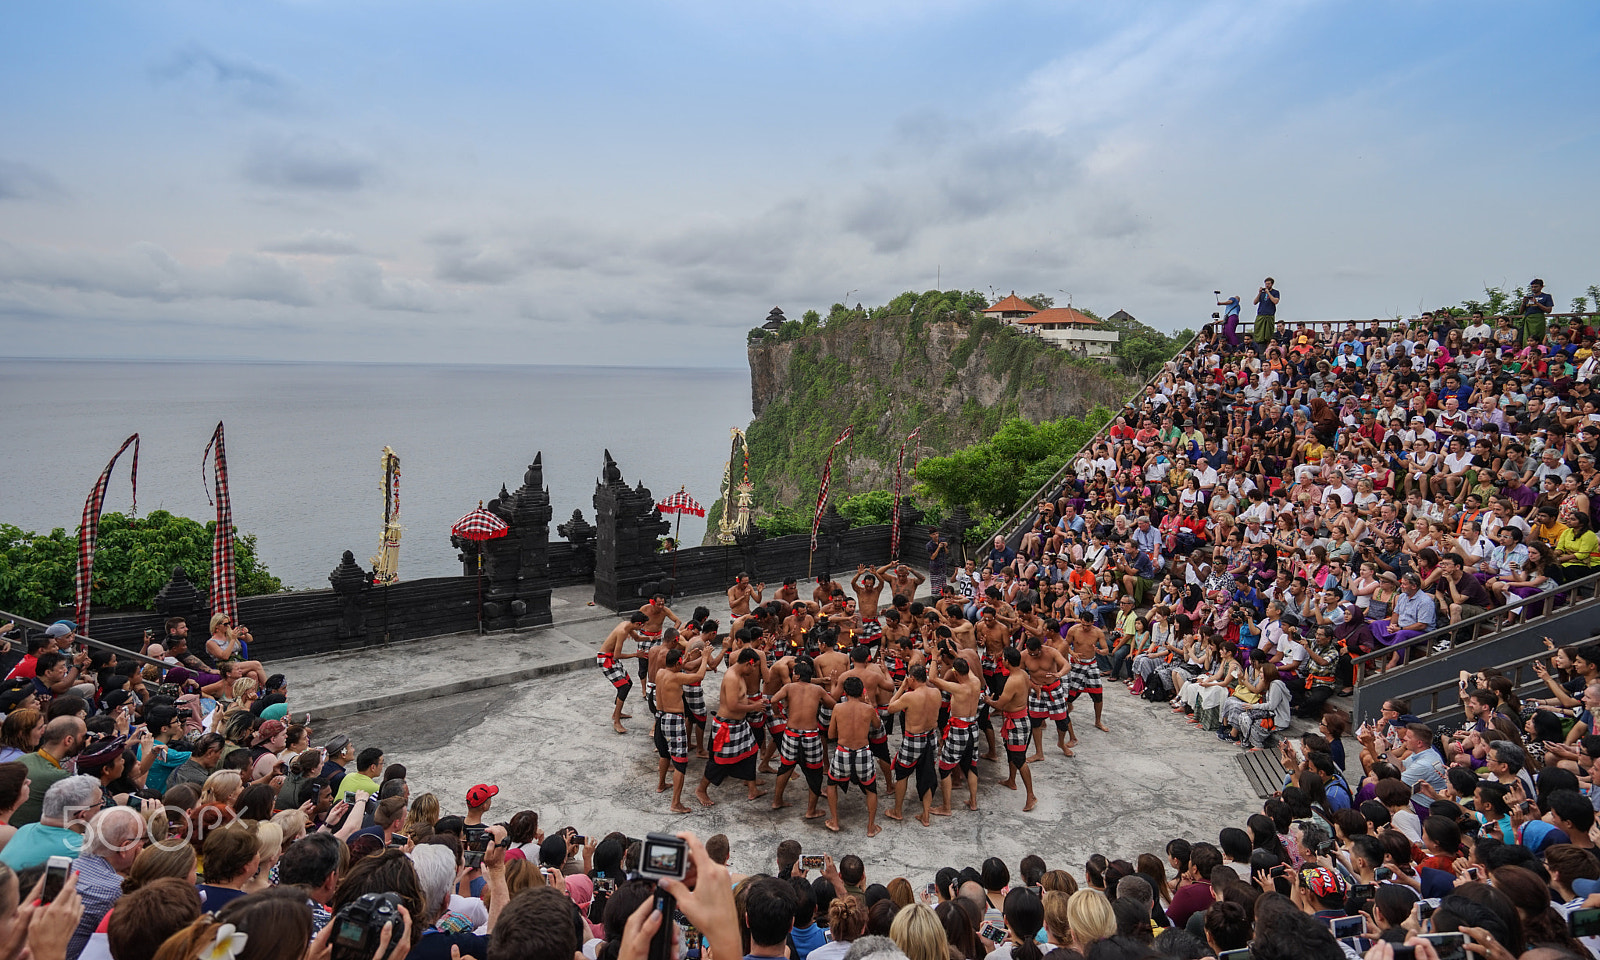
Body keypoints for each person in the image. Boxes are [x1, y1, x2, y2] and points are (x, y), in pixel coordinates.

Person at [826, 676, 883, 837]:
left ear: (845, 692)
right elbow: (877, 725)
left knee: (831, 784)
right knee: (871, 788)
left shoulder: (838, 708)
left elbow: (830, 734)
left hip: (843, 751)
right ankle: (870, 827)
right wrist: (870, 704)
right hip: (862, 752)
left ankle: (834, 821)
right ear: (861, 692)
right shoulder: (868, 709)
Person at [987, 648, 1037, 812]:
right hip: (1018, 718)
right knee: (1011, 752)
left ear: (1007, 661)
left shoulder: (1013, 680)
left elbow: (999, 705)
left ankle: (1031, 795)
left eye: (1003, 659)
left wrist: (988, 700)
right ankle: (1011, 780)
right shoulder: (1023, 673)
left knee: (1019, 758)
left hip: (1017, 722)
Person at [596, 614, 645, 734]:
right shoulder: (623, 631)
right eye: (643, 625)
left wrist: (651, 639)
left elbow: (637, 638)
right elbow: (617, 655)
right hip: (606, 660)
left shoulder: (628, 625)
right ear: (638, 623)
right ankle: (616, 722)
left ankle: (616, 712)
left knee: (628, 683)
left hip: (612, 660)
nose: (644, 627)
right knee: (623, 687)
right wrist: (635, 655)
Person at [1252, 278, 1280, 352]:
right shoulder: (1262, 293)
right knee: (1259, 333)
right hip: (1261, 315)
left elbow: (1275, 301)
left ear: (1272, 284)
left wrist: (1268, 293)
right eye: (1266, 284)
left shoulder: (1275, 292)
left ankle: (1267, 350)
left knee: (1268, 334)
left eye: (1268, 284)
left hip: (1269, 315)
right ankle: (1259, 350)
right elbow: (1255, 302)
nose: (1267, 285)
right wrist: (1259, 293)